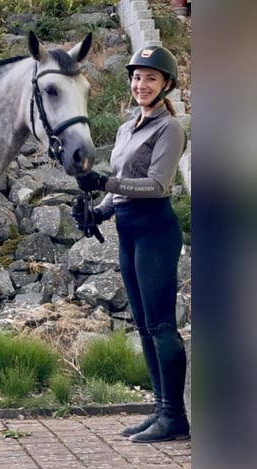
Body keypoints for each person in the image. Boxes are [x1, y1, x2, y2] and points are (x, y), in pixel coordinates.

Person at [71, 45, 189, 443]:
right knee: (143, 327)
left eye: (151, 77)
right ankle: (160, 409)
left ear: (166, 85)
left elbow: (156, 185)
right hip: (129, 228)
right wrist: (100, 212)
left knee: (161, 326)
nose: (141, 83)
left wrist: (105, 183)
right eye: (137, 76)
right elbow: (120, 186)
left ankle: (175, 417)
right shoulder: (127, 128)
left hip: (156, 228)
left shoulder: (169, 129)